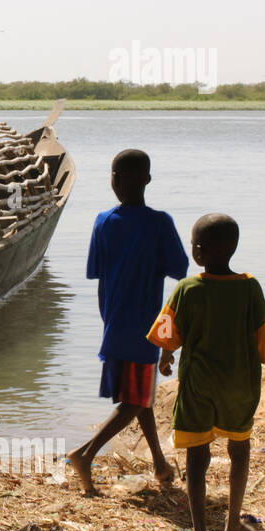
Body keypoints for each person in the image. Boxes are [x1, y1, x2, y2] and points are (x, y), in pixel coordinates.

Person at [148, 214, 265, 531]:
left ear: (199, 252)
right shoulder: (250, 287)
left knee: (197, 457)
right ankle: (233, 523)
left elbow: (166, 332)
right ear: (233, 248)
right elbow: (264, 336)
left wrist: (165, 357)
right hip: (241, 385)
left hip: (199, 386)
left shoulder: (188, 289)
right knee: (239, 450)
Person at [67, 150, 187, 494]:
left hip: (115, 321)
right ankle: (85, 453)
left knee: (140, 395)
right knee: (137, 399)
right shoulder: (160, 222)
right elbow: (179, 271)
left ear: (114, 179)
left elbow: (97, 272)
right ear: (147, 180)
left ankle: (160, 464)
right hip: (145, 326)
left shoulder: (103, 220)